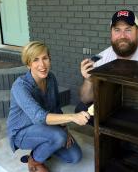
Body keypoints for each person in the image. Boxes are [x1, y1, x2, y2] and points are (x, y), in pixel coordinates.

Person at [6, 41, 90, 172]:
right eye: (35, 60)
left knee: (75, 156)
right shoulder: (20, 86)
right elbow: (39, 117)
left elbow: (56, 107)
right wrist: (73, 117)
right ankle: (34, 160)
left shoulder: (51, 78)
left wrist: (65, 129)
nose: (42, 65)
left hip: (45, 127)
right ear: (29, 64)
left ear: (49, 59)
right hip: (21, 132)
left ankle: (45, 145)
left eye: (45, 58)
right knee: (58, 137)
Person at [76, 10, 138, 114]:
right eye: (117, 30)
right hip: (112, 110)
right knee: (81, 108)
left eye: (128, 30)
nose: (122, 36)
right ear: (111, 33)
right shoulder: (100, 58)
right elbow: (85, 99)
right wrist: (89, 80)